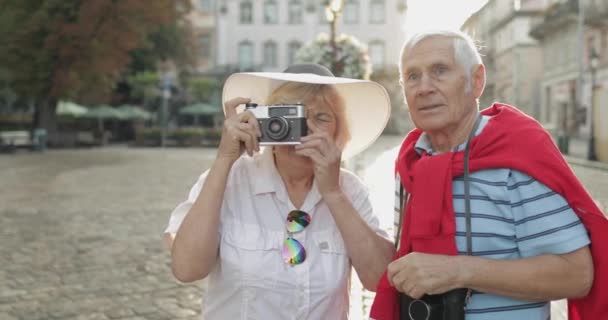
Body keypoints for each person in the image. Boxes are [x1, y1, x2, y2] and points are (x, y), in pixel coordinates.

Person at [370, 30, 608, 320]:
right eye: (412, 76)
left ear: (477, 80)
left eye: (440, 71)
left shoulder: (516, 158)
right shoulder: (411, 163)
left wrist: (459, 271)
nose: (423, 87)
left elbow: (577, 274)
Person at [164, 64, 395, 319]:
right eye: (291, 117)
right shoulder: (229, 180)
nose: (303, 131)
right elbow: (186, 269)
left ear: (338, 133)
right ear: (266, 124)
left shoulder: (350, 190)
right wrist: (224, 160)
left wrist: (333, 193)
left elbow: (380, 280)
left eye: (321, 118)